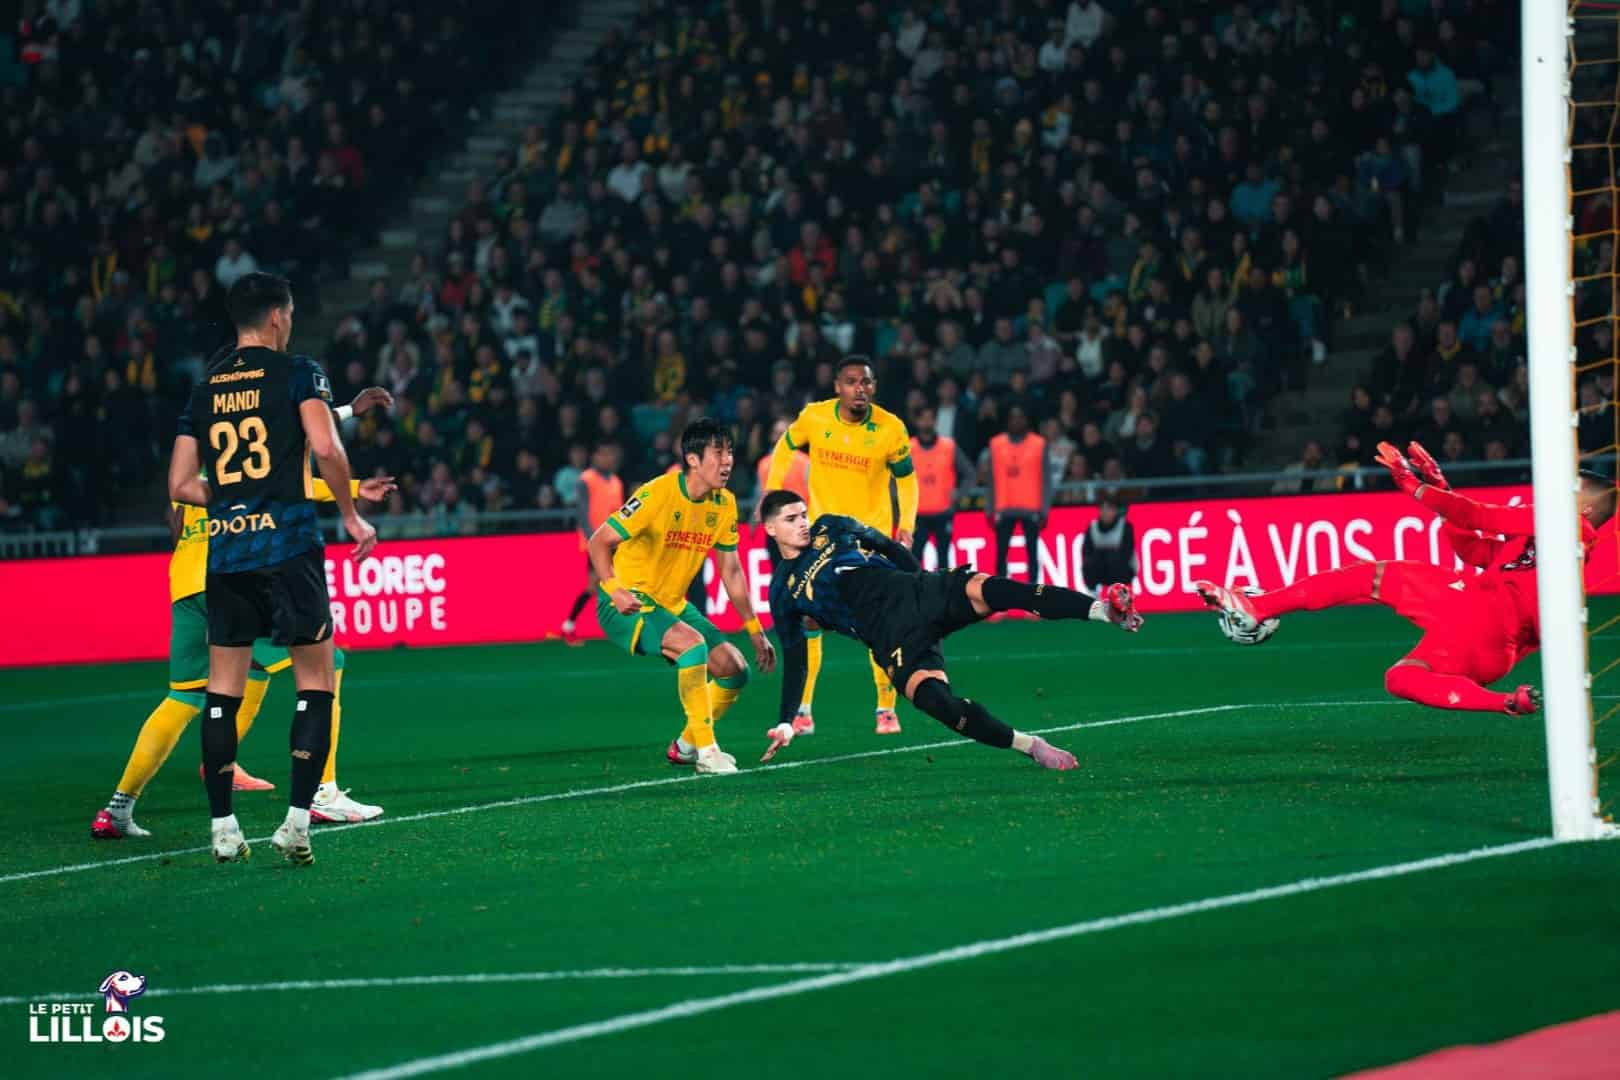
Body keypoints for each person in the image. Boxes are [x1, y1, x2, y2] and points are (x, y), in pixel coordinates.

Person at [92, 386, 397, 839]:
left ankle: (118, 807)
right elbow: (294, 454)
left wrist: (352, 410)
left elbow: (175, 523)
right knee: (327, 664)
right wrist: (351, 483)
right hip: (232, 575)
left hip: (185, 583)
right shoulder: (249, 448)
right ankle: (322, 792)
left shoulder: (196, 452)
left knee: (190, 696)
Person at [167, 272, 377, 865]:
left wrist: (236, 496)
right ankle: (294, 821)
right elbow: (328, 446)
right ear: (279, 316)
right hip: (287, 548)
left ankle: (223, 827)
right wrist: (351, 515)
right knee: (317, 680)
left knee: (221, 694)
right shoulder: (298, 370)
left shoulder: (205, 388)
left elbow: (181, 484)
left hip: (228, 556)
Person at [1196, 441, 1617, 715]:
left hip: (1488, 620)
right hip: (1475, 612)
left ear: (1583, 510)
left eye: (1571, 489)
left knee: (1375, 584)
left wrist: (1416, 489)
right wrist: (1440, 486)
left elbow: (1482, 515)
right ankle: (1506, 702)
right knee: (1397, 667)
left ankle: (1259, 606)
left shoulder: (1572, 529)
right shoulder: (1544, 541)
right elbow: (1471, 548)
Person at [758, 490, 1141, 765]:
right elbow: (795, 658)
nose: (804, 524)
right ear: (771, 529)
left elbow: (888, 545)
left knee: (1001, 590)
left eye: (804, 514)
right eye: (791, 519)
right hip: (892, 639)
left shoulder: (832, 527)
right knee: (937, 703)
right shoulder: (782, 591)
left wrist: (921, 580)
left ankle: (1104, 610)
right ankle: (1030, 746)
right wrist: (786, 720)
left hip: (919, 593)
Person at [588, 418, 776, 774]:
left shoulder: (723, 504)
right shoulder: (656, 493)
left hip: (672, 605)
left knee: (735, 671)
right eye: (718, 453)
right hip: (629, 602)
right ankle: (707, 751)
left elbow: (731, 571)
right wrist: (614, 589)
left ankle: (686, 745)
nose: (727, 461)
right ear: (692, 459)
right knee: (692, 646)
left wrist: (755, 629)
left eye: (730, 452)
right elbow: (600, 541)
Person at [765, 357, 919, 736]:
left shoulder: (890, 428)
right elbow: (785, 446)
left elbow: (907, 480)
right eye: (851, 382)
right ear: (838, 386)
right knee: (809, 620)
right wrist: (772, 489)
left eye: (865, 382)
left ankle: (886, 709)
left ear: (874, 387)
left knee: (879, 623)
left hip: (870, 542)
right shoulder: (815, 417)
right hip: (821, 541)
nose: (859, 389)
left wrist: (907, 527)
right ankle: (802, 711)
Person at [560, 442, 624, 645]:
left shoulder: (616, 482)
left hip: (613, 541)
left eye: (610, 454)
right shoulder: (586, 480)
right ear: (595, 456)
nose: (607, 458)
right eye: (603, 454)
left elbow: (620, 513)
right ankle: (569, 625)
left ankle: (570, 625)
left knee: (602, 585)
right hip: (596, 542)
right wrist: (592, 539)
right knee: (597, 584)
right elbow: (582, 512)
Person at [987, 405, 1052, 581]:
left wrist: (1045, 510)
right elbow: (991, 479)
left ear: (1026, 420)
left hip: (1031, 509)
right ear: (1007, 421)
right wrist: (989, 508)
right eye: (1013, 417)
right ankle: (999, 594)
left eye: (1020, 417)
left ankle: (1034, 595)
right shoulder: (996, 444)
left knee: (1032, 554)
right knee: (1000, 555)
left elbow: (1047, 480)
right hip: (1003, 508)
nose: (1017, 421)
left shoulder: (1039, 444)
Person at [909, 404, 975, 568]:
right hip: (918, 513)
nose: (927, 422)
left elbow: (970, 473)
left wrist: (959, 494)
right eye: (923, 419)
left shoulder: (948, 446)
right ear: (917, 422)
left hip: (943, 511)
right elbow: (892, 478)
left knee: (944, 559)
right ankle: (915, 592)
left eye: (931, 418)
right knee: (914, 559)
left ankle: (944, 593)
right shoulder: (908, 448)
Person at [1081, 495, 1137, 591]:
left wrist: (1108, 554)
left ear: (1115, 510)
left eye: (1109, 508)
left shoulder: (1126, 526)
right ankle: (1093, 595)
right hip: (1100, 568)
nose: (1105, 512)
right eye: (1102, 508)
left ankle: (1120, 595)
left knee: (1114, 559)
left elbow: (1126, 553)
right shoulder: (1092, 527)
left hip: (1122, 569)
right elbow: (1086, 552)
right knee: (1089, 565)